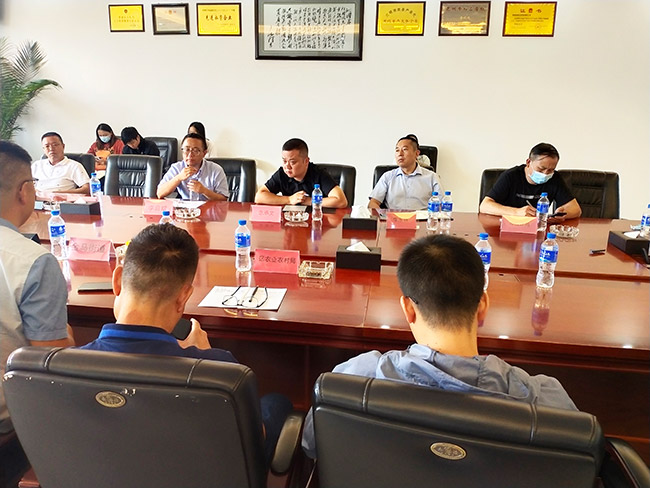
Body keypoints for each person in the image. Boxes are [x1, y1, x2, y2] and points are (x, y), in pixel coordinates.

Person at [301, 233, 577, 458]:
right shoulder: (545, 401)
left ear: (408, 309)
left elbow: (313, 445)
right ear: (483, 305)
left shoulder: (353, 378)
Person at [80, 223, 291, 463]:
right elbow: (253, 442)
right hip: (192, 470)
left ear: (117, 280)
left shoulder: (67, 364)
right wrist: (205, 362)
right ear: (183, 297)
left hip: (108, 469)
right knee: (277, 403)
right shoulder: (220, 370)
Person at [0, 140, 75, 434]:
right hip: (11, 422)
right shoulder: (34, 262)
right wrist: (67, 334)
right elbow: (51, 364)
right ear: (24, 191)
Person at [479, 142, 582, 221]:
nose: (545, 174)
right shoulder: (511, 176)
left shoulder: (555, 178)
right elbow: (484, 206)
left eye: (551, 170)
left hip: (538, 229)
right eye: (541, 169)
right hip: (507, 227)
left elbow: (576, 209)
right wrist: (517, 212)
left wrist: (563, 214)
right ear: (528, 162)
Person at [255, 138, 348, 208]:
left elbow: (341, 201)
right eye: (284, 161)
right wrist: (289, 199)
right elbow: (259, 196)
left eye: (292, 162)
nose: (287, 166)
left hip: (318, 220)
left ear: (306, 161)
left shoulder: (319, 174)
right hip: (291, 221)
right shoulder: (282, 173)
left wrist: (309, 201)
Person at [368, 134, 442, 210]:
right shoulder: (387, 177)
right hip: (393, 217)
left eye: (404, 149)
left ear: (416, 153)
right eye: (397, 150)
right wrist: (381, 216)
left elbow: (442, 205)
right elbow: (373, 203)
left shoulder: (432, 177)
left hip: (422, 217)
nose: (400, 154)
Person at [157, 133, 229, 201]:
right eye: (187, 150)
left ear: (204, 153)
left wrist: (204, 191)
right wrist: (178, 178)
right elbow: (160, 193)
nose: (190, 155)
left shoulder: (216, 170)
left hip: (209, 209)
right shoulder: (177, 168)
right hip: (185, 208)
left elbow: (223, 199)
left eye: (195, 150)